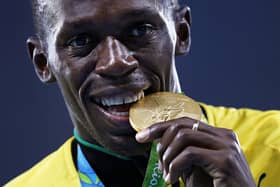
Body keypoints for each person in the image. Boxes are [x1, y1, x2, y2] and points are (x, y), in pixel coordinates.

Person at [5, 0, 280, 186]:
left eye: (139, 30)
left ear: (181, 33)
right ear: (43, 63)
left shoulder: (275, 144)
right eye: (81, 41)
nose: (115, 62)